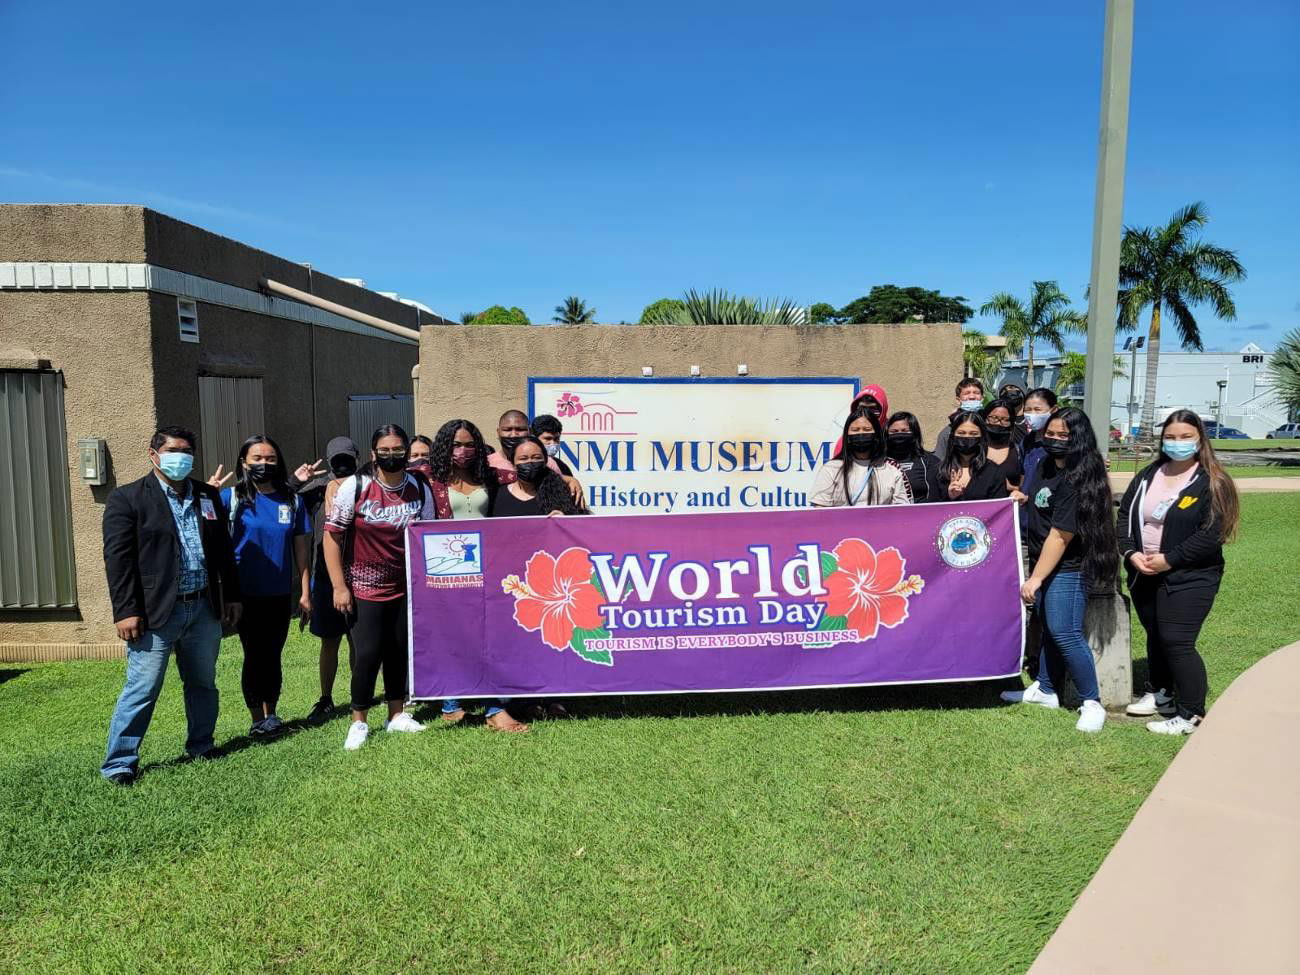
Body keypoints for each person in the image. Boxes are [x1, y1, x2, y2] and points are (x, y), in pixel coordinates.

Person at [101, 426, 242, 784]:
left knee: (203, 683)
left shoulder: (208, 496)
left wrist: (232, 597)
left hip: (203, 608)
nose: (180, 457)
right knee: (143, 688)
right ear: (153, 455)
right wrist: (126, 610)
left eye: (186, 451)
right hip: (154, 613)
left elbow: (224, 553)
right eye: (172, 450)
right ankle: (119, 763)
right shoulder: (128, 499)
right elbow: (118, 561)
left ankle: (202, 744)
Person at [1116, 410, 1239, 735]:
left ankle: (1191, 714)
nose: (1177, 443)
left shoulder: (1212, 481)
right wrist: (1131, 553)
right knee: (1156, 636)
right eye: (1171, 437)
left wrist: (1170, 559)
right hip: (1144, 572)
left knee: (1177, 641)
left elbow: (1212, 533)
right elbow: (1125, 517)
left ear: (1200, 439)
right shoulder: (1148, 474)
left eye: (1185, 437)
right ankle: (1162, 693)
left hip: (1191, 576)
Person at [1000, 408, 1119, 733]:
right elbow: (1042, 500)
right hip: (1044, 559)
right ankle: (1046, 690)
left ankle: (1091, 702)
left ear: (1077, 438)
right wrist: (1023, 497)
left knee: (1065, 633)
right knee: (1051, 629)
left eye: (1062, 435)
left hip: (1067, 566)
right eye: (1049, 433)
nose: (1053, 439)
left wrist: (1036, 578)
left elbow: (1061, 535)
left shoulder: (1078, 478)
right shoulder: (1044, 464)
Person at [323, 424, 435, 750]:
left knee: (398, 651)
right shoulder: (356, 487)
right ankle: (359, 721)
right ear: (373, 454)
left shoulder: (418, 486)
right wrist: (338, 586)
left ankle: (396, 714)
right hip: (363, 587)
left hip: (405, 586)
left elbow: (427, 534)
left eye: (398, 450)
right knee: (368, 653)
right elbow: (332, 536)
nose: (391, 456)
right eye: (384, 450)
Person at [418, 419, 529, 732]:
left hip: (488, 570)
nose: (463, 451)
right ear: (443, 446)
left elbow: (531, 476)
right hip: (444, 571)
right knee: (451, 637)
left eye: (469, 444)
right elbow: (386, 480)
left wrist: (568, 479)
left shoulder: (491, 477)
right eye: (456, 444)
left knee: (487, 638)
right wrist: (334, 486)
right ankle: (452, 700)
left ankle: (494, 707)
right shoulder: (426, 478)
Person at [219, 435, 312, 737]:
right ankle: (257, 717)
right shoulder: (230, 498)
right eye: (256, 459)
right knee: (254, 653)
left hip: (279, 593)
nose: (263, 464)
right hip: (243, 594)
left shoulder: (292, 500)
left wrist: (306, 592)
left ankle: (273, 714)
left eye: (270, 459)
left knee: (273, 653)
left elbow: (301, 549)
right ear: (243, 462)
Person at [290, 437, 360, 723]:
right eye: (337, 459)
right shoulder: (315, 490)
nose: (342, 464)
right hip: (325, 578)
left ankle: (360, 694)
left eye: (347, 458)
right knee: (329, 640)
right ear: (329, 459)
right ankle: (326, 698)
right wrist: (296, 482)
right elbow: (280, 498)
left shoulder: (365, 485)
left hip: (359, 574)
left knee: (359, 640)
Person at [811, 408, 912, 507]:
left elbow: (902, 511)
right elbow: (820, 509)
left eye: (867, 429)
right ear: (847, 435)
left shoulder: (892, 470)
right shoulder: (831, 469)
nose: (861, 433)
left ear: (876, 435)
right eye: (855, 430)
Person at [491, 436, 586, 517]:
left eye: (536, 457)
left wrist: (564, 521)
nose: (530, 462)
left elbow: (581, 529)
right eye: (523, 458)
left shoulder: (566, 492)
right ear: (513, 463)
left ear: (545, 461)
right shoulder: (497, 495)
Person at [938, 413, 1014, 501]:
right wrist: (950, 496)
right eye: (961, 433)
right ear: (953, 436)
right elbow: (931, 508)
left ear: (982, 438)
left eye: (973, 434)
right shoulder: (940, 471)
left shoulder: (993, 472)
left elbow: (998, 508)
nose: (967, 437)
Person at [884, 411, 943, 503]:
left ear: (914, 433)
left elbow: (935, 498)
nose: (899, 434)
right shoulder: (879, 462)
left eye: (905, 431)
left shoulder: (930, 461)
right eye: (894, 431)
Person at [933, 378, 985, 457]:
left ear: (982, 398)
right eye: (966, 393)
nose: (972, 397)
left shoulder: (989, 426)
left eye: (976, 393)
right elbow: (939, 460)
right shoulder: (948, 432)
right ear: (958, 400)